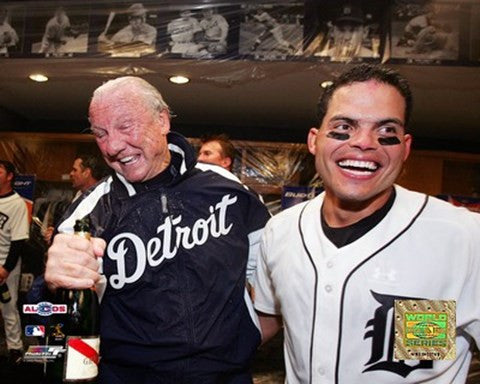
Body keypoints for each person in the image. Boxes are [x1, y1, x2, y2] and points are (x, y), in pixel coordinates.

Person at [254, 64, 480, 383]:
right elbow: (265, 318)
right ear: (314, 141)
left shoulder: (466, 237)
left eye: (386, 132)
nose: (364, 143)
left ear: (405, 147)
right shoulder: (281, 230)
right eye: (344, 128)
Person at [44, 76, 270, 383]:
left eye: (125, 126)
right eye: (100, 134)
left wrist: (246, 337)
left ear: (162, 120)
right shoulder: (90, 212)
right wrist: (56, 282)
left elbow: (272, 276)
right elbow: (62, 310)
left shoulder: (227, 190)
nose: (112, 146)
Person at [0, 160, 29, 365]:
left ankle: (15, 348)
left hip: (5, 264)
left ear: (9, 176)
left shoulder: (17, 203)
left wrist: (5, 269)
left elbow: (19, 240)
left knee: (8, 308)